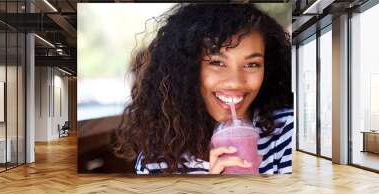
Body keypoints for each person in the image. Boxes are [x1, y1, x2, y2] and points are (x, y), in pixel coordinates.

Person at [114, 3, 293, 175]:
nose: (235, 82)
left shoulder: (288, 132)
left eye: (252, 64)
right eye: (217, 62)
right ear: (187, 68)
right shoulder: (156, 164)